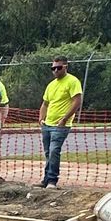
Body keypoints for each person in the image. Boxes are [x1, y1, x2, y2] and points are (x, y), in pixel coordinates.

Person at [38, 57, 84, 187]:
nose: (56, 70)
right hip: (47, 124)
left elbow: (77, 100)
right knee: (48, 153)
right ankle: (46, 179)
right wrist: (41, 118)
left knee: (54, 151)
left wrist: (64, 118)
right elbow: (45, 103)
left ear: (65, 67)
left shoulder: (72, 81)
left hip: (61, 125)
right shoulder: (51, 85)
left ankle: (52, 180)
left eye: (59, 67)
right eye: (53, 68)